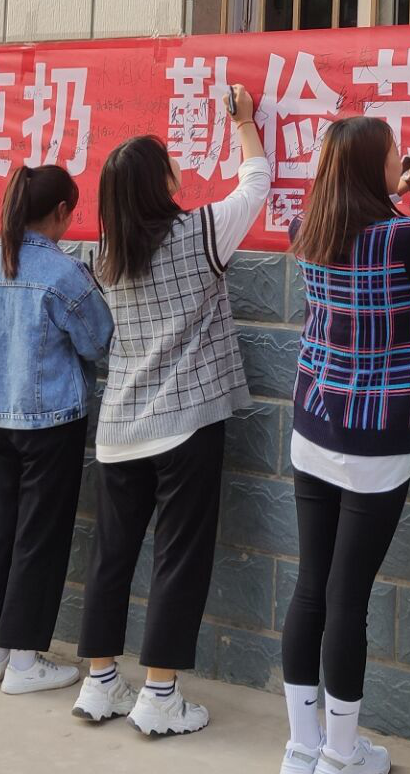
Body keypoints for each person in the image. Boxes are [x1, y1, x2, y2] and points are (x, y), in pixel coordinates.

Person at [281, 114, 410, 774]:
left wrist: (406, 185)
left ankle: (303, 746)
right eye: (396, 156)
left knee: (311, 588)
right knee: (348, 598)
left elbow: (361, 216)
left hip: (313, 422)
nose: (405, 161)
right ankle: (342, 754)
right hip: (377, 436)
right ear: (375, 169)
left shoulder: (306, 227)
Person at [74, 85, 269, 737]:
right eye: (168, 164)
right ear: (162, 184)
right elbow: (256, 184)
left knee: (112, 555)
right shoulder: (201, 232)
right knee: (178, 556)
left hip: (119, 427)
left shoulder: (105, 255)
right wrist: (244, 124)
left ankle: (100, 682)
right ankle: (159, 695)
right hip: (185, 425)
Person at [0, 165, 113, 696]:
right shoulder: (63, 272)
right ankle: (25, 660)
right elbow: (98, 340)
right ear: (61, 211)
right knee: (40, 537)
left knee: (1, 529)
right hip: (52, 421)